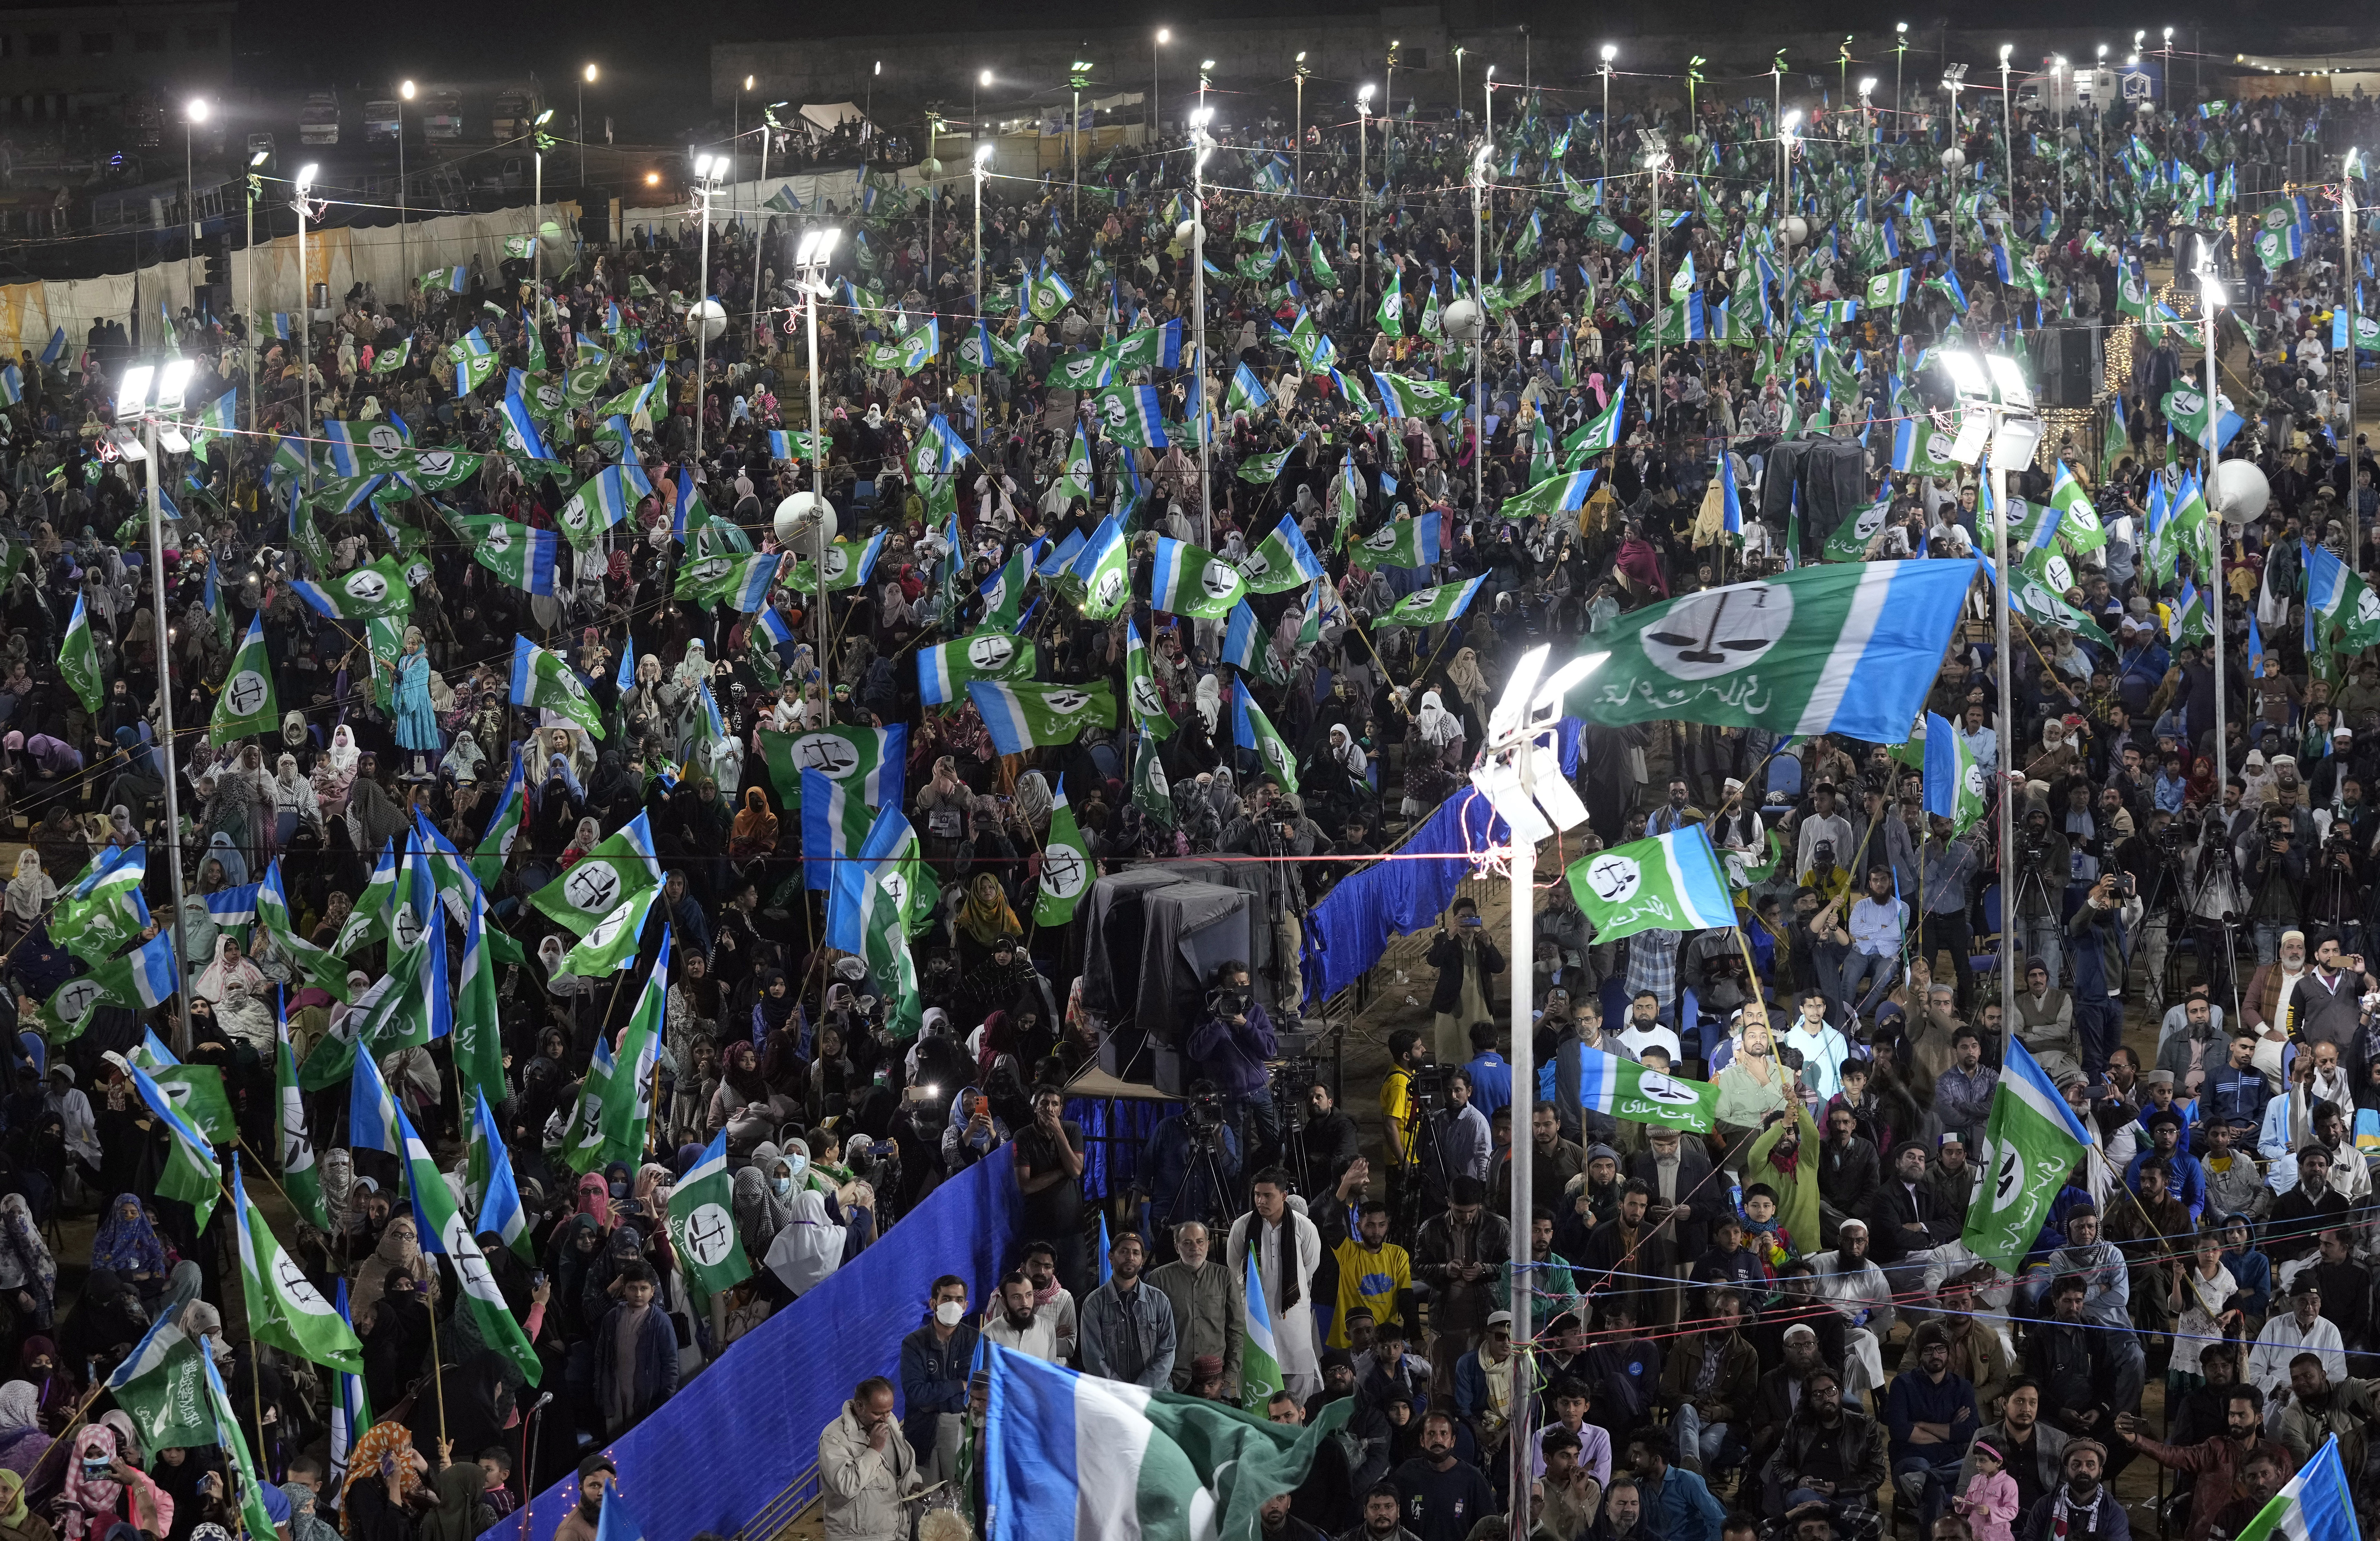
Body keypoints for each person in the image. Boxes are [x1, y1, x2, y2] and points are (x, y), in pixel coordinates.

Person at [1228, 1169, 1324, 1400]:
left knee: (1297, 1395)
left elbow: (1309, 1268)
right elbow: (1234, 1267)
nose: (1261, 1201)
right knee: (1257, 1394)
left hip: (1293, 1321)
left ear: (1283, 1196)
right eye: (1257, 1195)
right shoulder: (1242, 1226)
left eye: (1268, 1195)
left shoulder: (1304, 1227)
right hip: (1255, 1321)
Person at [898, 1276, 979, 1486]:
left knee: (959, 1497)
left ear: (966, 1306)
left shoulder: (977, 1341)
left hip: (960, 1428)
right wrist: (958, 1385)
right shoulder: (914, 1343)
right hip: (923, 1432)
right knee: (926, 1497)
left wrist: (935, 1401)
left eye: (959, 1300)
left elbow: (979, 1391)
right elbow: (916, 1394)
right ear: (933, 1304)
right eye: (947, 1299)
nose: (953, 1305)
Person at [1149, 1221, 1244, 1396]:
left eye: (1200, 1242)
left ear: (1208, 1245)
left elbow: (1236, 1328)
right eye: (1187, 1243)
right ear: (1177, 1247)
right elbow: (1149, 1333)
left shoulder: (1225, 1277)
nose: (1195, 1248)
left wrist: (1230, 1374)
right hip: (1173, 1379)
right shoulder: (1159, 1279)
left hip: (1215, 1379)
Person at [819, 1378, 919, 1541]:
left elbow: (898, 1469)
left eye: (889, 1411)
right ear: (860, 1406)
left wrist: (912, 1484)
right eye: (878, 1413)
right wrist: (874, 1450)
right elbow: (846, 1486)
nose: (885, 1418)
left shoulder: (890, 1422)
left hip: (896, 1533)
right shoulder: (834, 1438)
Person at [1079, 1230, 1177, 1389]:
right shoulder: (1094, 1304)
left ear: (1142, 1260)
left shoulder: (1159, 1300)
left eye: (1136, 1253)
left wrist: (1142, 1391)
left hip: (1155, 1393)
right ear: (1111, 1257)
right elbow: (1094, 1360)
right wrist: (1125, 1393)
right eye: (1124, 1251)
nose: (1130, 1257)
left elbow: (1168, 1351)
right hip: (1112, 1396)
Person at [1388, 1411, 1497, 1541]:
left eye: (1444, 1433)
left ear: (1453, 1441)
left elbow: (1491, 1529)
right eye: (1431, 1433)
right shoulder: (1407, 1473)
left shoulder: (1473, 1479)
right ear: (1422, 1440)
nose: (1438, 1440)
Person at [1627, 1427, 1727, 1541]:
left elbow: (1716, 1520)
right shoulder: (1638, 1487)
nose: (1633, 1459)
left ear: (1656, 1460)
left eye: (1638, 1455)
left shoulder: (1687, 1481)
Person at [2013, 1443, 2127, 1541]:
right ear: (2066, 1470)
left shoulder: (2113, 1512)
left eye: (2090, 1465)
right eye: (2076, 1465)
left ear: (2100, 1472)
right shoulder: (2045, 1505)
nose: (2083, 1470)